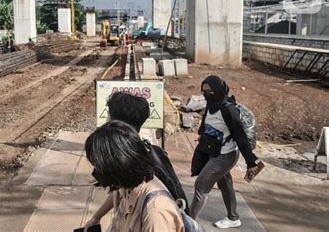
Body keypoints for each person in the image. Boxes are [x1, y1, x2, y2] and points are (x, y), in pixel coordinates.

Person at [85, 92, 188, 231]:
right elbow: (118, 194)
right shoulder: (128, 177)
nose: (97, 170)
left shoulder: (155, 213)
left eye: (99, 165)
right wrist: (97, 217)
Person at [189, 75, 260, 229]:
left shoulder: (228, 110)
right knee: (225, 183)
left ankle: (189, 223)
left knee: (200, 186)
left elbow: (240, 137)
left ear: (219, 90)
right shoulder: (211, 104)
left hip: (225, 156)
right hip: (213, 151)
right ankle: (233, 217)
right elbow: (206, 120)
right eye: (204, 92)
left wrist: (251, 162)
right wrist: (202, 132)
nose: (207, 95)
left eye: (210, 91)